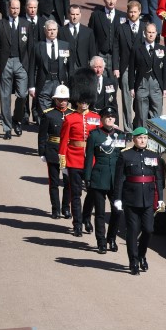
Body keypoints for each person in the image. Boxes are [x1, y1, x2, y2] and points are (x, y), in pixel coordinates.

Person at [114, 126, 164, 275]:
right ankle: (133, 261)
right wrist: (117, 198)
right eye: (140, 138)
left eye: (145, 138)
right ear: (134, 139)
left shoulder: (154, 156)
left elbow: (158, 179)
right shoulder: (125, 156)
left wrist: (160, 198)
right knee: (133, 230)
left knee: (148, 230)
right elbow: (119, 179)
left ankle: (142, 255)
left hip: (148, 200)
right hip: (130, 199)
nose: (143, 141)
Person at [58, 68, 101, 237]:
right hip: (74, 159)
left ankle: (86, 218)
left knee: (92, 193)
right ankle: (77, 224)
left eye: (86, 101)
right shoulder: (69, 119)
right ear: (76, 101)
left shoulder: (96, 119)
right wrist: (63, 162)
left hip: (91, 161)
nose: (83, 103)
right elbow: (64, 142)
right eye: (81, 101)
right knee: (75, 194)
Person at [84, 105, 125, 254]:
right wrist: (87, 178)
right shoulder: (94, 135)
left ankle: (111, 238)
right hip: (99, 178)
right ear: (101, 119)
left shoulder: (120, 136)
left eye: (112, 117)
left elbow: (123, 160)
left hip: (116, 180)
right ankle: (101, 241)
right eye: (107, 117)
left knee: (117, 211)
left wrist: (124, 179)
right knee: (100, 212)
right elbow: (89, 158)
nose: (110, 119)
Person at [0, 0, 32, 139]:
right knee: (5, 96)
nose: (15, 11)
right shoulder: (0, 24)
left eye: (17, 8)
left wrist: (30, 67)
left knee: (22, 95)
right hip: (5, 63)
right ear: (8, 8)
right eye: (13, 8)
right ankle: (7, 128)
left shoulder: (26, 24)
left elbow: (30, 48)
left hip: (21, 64)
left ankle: (17, 119)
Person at [38, 85, 73, 218]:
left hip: (68, 151)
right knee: (54, 182)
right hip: (53, 150)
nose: (62, 102)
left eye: (64, 99)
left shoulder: (72, 113)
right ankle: (55, 209)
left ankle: (66, 208)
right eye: (59, 99)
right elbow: (42, 135)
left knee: (68, 182)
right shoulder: (49, 114)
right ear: (55, 100)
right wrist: (42, 152)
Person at [28, 20, 74, 119]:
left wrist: (71, 85)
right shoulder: (37, 46)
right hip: (44, 82)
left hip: (60, 82)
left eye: (54, 29)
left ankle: (55, 130)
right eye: (49, 30)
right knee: (44, 111)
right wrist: (31, 86)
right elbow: (31, 67)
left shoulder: (65, 45)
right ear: (45, 31)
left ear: (57, 31)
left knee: (60, 108)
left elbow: (70, 68)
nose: (52, 32)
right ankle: (45, 130)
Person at [129, 22, 166, 128]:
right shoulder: (137, 49)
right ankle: (143, 136)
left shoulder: (162, 49)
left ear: (156, 34)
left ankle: (155, 136)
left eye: (153, 32)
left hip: (156, 85)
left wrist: (165, 88)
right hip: (142, 84)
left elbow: (165, 70)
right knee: (142, 114)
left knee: (157, 114)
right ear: (144, 33)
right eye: (149, 32)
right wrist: (131, 87)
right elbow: (132, 69)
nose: (151, 35)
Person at [113, 0, 144, 132]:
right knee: (126, 99)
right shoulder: (121, 28)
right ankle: (128, 129)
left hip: (140, 68)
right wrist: (116, 67)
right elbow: (116, 48)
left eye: (135, 12)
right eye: (130, 12)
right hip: (125, 67)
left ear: (139, 12)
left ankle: (138, 125)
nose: (132, 14)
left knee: (140, 98)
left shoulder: (145, 27)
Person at [88, 0, 126, 78]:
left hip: (117, 56)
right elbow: (91, 35)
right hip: (101, 54)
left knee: (114, 83)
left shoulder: (123, 16)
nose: (111, 2)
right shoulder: (96, 15)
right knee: (100, 81)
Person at [58, 4, 97, 70]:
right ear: (68, 15)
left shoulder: (88, 32)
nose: (75, 17)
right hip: (66, 67)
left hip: (83, 67)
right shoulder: (61, 31)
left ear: (80, 15)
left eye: (77, 14)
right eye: (72, 14)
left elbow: (92, 52)